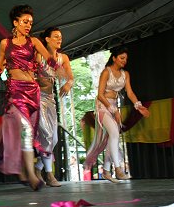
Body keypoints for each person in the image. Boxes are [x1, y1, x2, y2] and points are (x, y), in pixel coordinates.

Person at [0, 5, 60, 191]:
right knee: (27, 131)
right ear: (15, 22)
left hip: (33, 91)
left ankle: (25, 170)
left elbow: (49, 58)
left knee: (27, 134)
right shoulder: (5, 44)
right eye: (25, 22)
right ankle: (31, 175)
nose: (28, 25)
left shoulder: (34, 42)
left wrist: (55, 63)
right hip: (15, 92)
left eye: (30, 22)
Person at [84, 46, 150, 182]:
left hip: (113, 106)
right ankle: (118, 169)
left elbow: (130, 93)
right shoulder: (106, 72)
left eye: (126, 58)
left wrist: (138, 105)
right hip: (103, 106)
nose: (124, 61)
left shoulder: (126, 74)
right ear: (114, 58)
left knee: (112, 138)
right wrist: (114, 111)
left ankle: (107, 171)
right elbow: (100, 95)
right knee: (114, 133)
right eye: (121, 58)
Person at [34, 27, 73, 187]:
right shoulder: (39, 55)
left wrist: (68, 84)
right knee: (47, 136)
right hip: (36, 97)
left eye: (61, 37)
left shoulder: (63, 58)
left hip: (50, 99)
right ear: (47, 39)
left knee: (54, 138)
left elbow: (70, 77)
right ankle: (49, 175)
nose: (59, 39)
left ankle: (38, 167)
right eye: (56, 36)